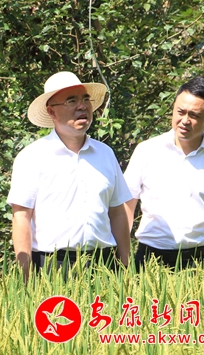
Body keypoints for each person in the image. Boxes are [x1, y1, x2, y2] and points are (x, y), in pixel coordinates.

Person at [7, 71, 132, 280]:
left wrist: (126, 266)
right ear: (51, 111)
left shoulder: (105, 154)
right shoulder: (32, 157)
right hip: (52, 266)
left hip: (103, 264)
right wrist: (25, 275)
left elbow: (117, 211)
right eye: (71, 101)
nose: (81, 106)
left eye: (85, 99)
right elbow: (21, 217)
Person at [124, 76, 204, 270]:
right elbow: (126, 205)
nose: (185, 121)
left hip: (200, 261)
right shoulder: (146, 151)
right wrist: (123, 257)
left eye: (194, 115)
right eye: (180, 112)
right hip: (149, 259)